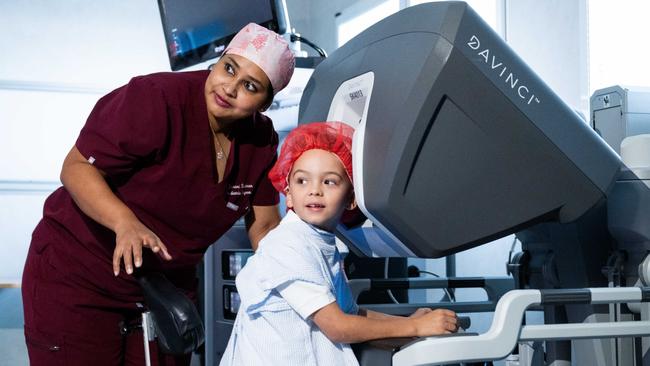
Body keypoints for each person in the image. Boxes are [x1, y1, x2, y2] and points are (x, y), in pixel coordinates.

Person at [21, 23, 295, 366]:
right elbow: (76, 168)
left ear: (265, 103)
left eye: (250, 86)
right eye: (228, 68)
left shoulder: (260, 141)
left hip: (163, 289)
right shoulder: (156, 98)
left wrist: (297, 274)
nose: (230, 87)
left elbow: (265, 226)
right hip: (80, 274)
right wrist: (125, 222)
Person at [219, 122, 459, 366]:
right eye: (302, 181)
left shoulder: (321, 242)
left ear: (352, 198)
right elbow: (337, 325)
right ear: (288, 193)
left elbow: (351, 314)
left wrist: (411, 324)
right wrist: (414, 326)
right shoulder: (287, 244)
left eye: (329, 182)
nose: (314, 191)